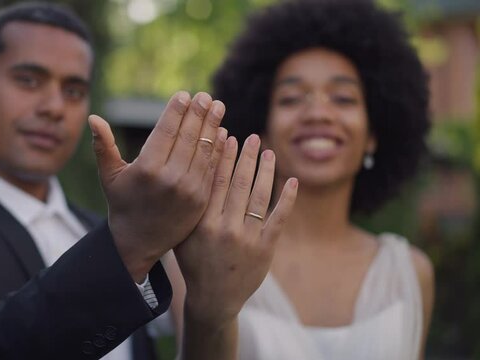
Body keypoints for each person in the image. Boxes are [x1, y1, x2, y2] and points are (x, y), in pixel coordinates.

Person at [0, 2, 298, 360]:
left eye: (73, 90)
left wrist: (212, 310)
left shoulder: (101, 231)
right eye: (28, 80)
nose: (53, 106)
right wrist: (130, 244)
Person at [168, 0, 436, 359]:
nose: (318, 113)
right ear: (261, 130)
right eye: (292, 98)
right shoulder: (203, 254)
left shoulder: (410, 273)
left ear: (374, 133)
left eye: (342, 98)